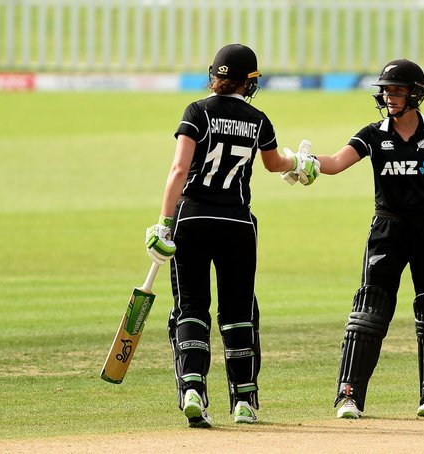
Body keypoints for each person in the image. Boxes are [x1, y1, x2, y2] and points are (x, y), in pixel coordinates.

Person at [144, 43, 318, 428]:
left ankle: (192, 389)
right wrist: (301, 164)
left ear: (215, 75)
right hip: (238, 225)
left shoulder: (196, 112)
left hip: (191, 220)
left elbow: (178, 169)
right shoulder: (258, 119)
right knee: (238, 313)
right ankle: (243, 401)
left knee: (191, 307)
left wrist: (163, 222)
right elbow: (275, 164)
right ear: (249, 82)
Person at [309, 59, 424, 418]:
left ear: (416, 94)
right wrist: (305, 162)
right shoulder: (374, 134)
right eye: (386, 90)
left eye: (397, 90)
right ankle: (349, 396)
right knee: (369, 311)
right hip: (386, 230)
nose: (389, 97)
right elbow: (338, 161)